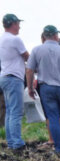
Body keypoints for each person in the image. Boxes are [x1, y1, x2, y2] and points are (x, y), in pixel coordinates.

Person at [26, 25, 60, 154]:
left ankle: (59, 148)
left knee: (53, 117)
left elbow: (29, 70)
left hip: (46, 88)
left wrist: (30, 87)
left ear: (44, 36)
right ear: (56, 36)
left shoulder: (36, 50)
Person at [0, 13, 29, 151]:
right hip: (14, 77)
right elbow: (27, 56)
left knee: (10, 111)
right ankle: (17, 143)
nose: (19, 26)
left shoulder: (2, 39)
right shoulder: (15, 39)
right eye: (18, 23)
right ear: (12, 24)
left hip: (4, 76)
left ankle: (11, 141)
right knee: (16, 111)